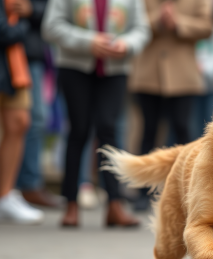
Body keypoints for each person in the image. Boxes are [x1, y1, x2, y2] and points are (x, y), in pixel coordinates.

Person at [42, 0, 151, 227]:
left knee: (108, 129)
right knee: (78, 131)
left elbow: (142, 29)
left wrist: (125, 44)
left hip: (115, 70)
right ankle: (71, 204)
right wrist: (88, 41)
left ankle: (115, 204)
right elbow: (51, 26)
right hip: (74, 67)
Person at [129, 0, 213, 212]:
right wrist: (157, 20)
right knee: (148, 132)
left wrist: (178, 22)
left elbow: (208, 27)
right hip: (147, 74)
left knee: (184, 131)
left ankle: (190, 189)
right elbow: (132, 25)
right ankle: (142, 192)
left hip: (183, 77)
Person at [0, 0, 44, 224]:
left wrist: (30, 12)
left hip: (16, 59)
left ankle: (5, 195)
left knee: (20, 121)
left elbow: (47, 9)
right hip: (11, 39)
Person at [14, 0, 60, 208]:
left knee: (32, 119)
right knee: (20, 120)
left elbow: (54, 11)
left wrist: (32, 10)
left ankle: (28, 185)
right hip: (11, 45)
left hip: (29, 53)